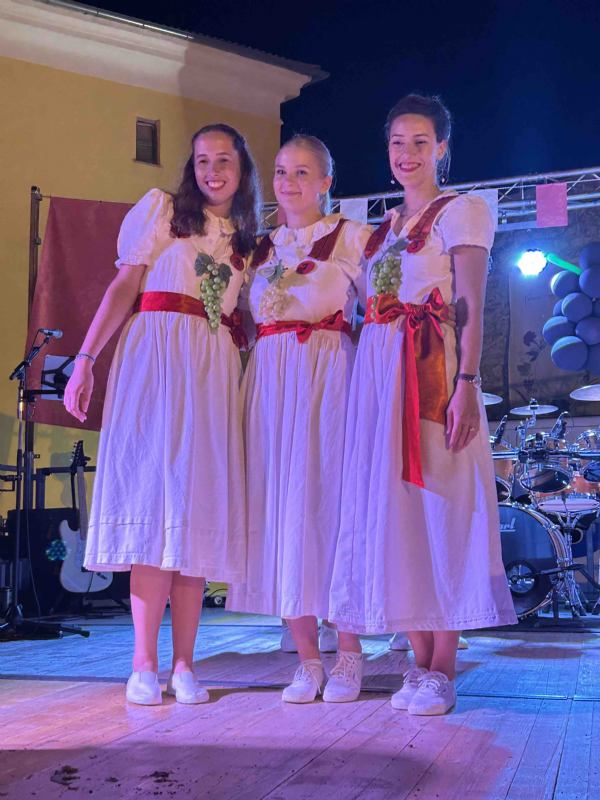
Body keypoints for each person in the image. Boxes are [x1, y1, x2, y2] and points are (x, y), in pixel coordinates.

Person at [329, 95, 517, 714]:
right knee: (395, 515)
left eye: (419, 142)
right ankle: (417, 660)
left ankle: (444, 666)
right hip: (380, 376)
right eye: (397, 142)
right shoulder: (381, 230)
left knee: (441, 510)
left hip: (432, 369)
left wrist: (467, 382)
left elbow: (470, 306)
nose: (406, 153)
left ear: (441, 148)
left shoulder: (462, 212)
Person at [63, 123, 260, 705]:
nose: (212, 171)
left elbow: (253, 316)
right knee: (153, 508)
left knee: (193, 515)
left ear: (242, 170)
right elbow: (124, 287)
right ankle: (143, 665)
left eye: (223, 160)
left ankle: (185, 666)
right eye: (202, 160)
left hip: (211, 374)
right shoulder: (163, 211)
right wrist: (85, 360)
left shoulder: (248, 243)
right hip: (154, 365)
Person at [227, 135, 371, 703]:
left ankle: (350, 654)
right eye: (282, 171)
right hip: (271, 383)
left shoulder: (353, 238)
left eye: (303, 172)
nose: (289, 182)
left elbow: (383, 309)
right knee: (282, 512)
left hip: (330, 375)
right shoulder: (258, 250)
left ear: (326, 182)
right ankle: (308, 660)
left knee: (335, 508)